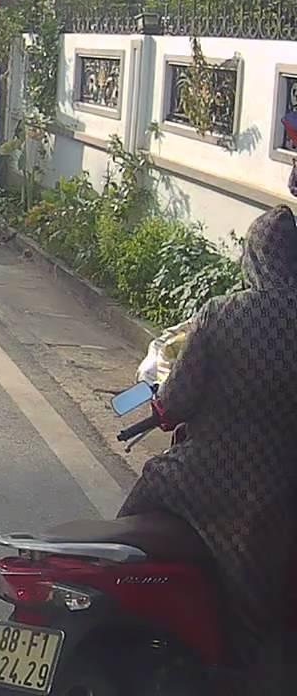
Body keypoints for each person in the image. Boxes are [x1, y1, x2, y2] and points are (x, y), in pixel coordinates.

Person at [118, 204, 297, 693]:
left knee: (131, 521)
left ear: (253, 257)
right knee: (255, 605)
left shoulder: (221, 313)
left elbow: (175, 400)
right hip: (273, 491)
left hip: (195, 475)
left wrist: (163, 410)